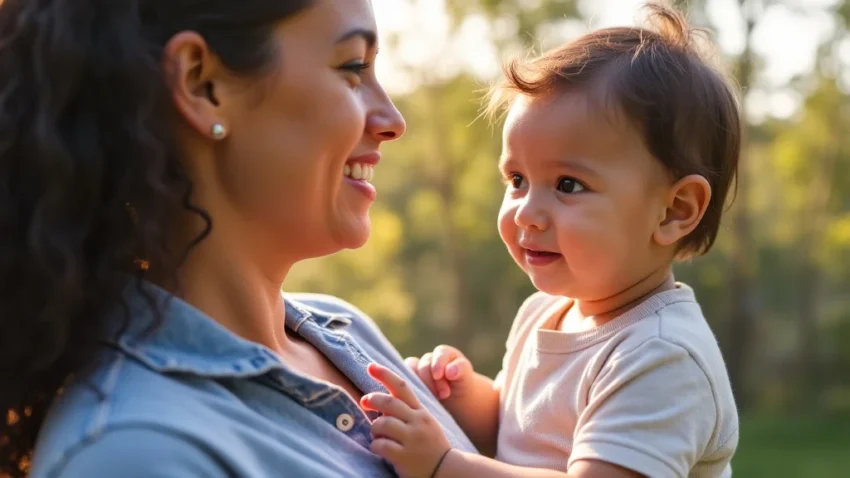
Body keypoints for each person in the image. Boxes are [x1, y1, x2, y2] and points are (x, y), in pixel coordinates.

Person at [0, 0, 477, 477]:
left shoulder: (346, 332)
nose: (393, 119)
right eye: (352, 68)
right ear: (201, 84)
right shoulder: (135, 453)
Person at [359, 4, 740, 477]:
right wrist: (462, 396)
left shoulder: (661, 357)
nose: (526, 212)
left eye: (567, 185)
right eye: (516, 179)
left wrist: (443, 465)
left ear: (674, 210)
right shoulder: (545, 311)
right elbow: (515, 431)